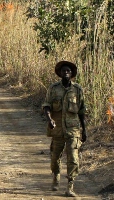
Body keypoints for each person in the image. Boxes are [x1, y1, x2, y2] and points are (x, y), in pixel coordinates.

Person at [42, 61, 87, 197]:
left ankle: (70, 186)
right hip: (57, 130)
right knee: (55, 157)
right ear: (60, 73)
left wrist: (84, 130)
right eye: (64, 71)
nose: (66, 73)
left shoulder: (78, 90)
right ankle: (56, 176)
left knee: (73, 158)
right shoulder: (53, 88)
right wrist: (50, 120)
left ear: (72, 74)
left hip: (73, 130)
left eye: (68, 71)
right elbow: (46, 105)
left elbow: (82, 111)